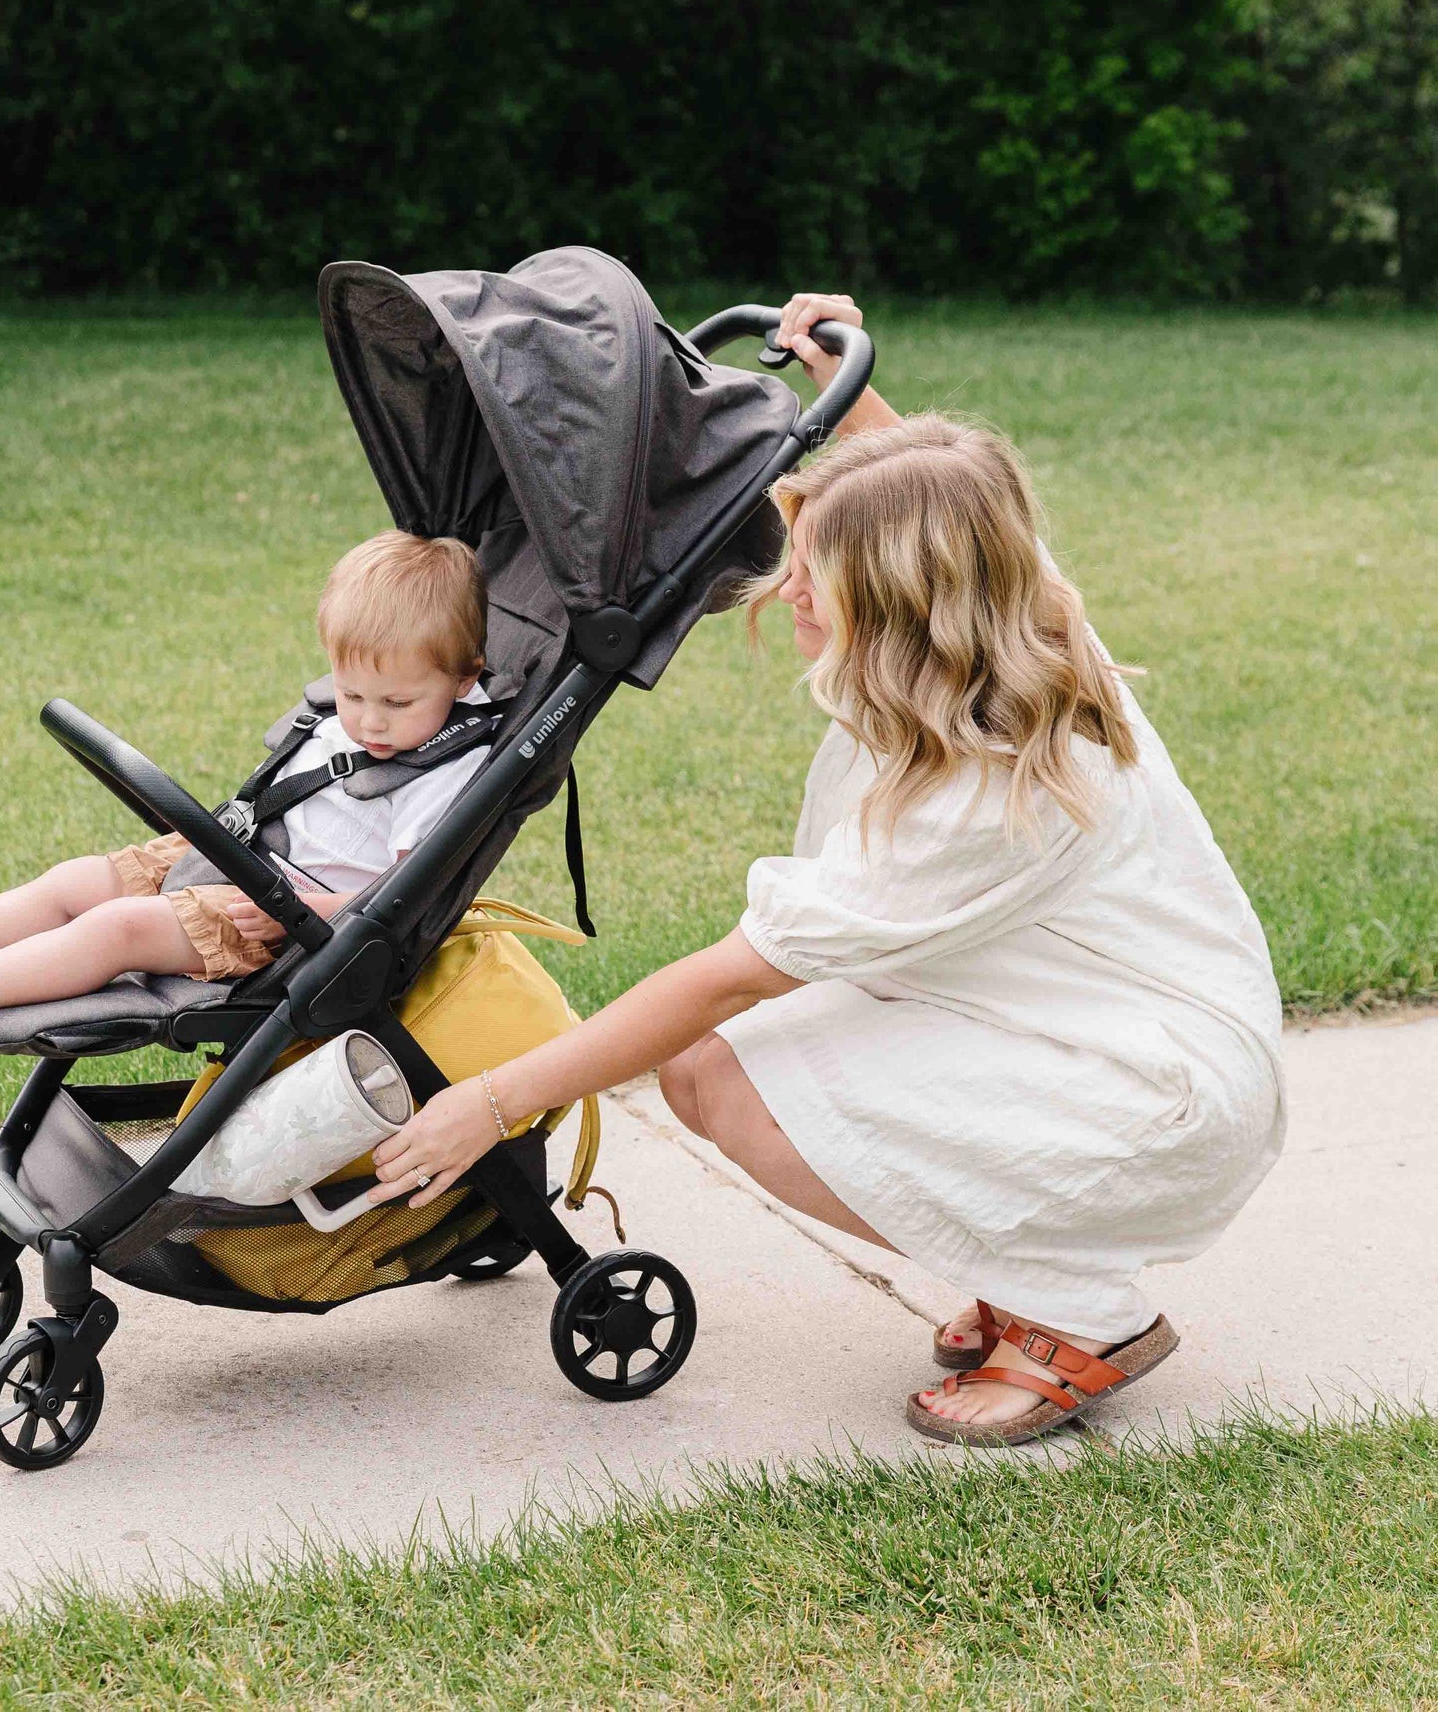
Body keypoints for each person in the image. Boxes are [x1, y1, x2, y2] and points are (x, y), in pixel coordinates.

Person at [367, 294, 1285, 1448]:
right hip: (1126, 1034)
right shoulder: (1020, 619)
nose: (787, 588)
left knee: (726, 1080)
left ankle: (1085, 1314)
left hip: (1159, 1102)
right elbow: (955, 508)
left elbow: (725, 982)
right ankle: (1033, 1260)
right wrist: (837, 392)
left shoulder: (981, 798)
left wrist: (493, 1105)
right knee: (716, 1071)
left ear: (906, 609)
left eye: (818, 569)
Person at [0, 531, 494, 1039]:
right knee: (78, 880)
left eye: (396, 705)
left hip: (287, 922)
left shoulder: (446, 767)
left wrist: (308, 910)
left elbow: (415, 896)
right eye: (351, 694)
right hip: (238, 859)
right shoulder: (370, 709)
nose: (370, 721)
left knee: (121, 927)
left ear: (465, 679)